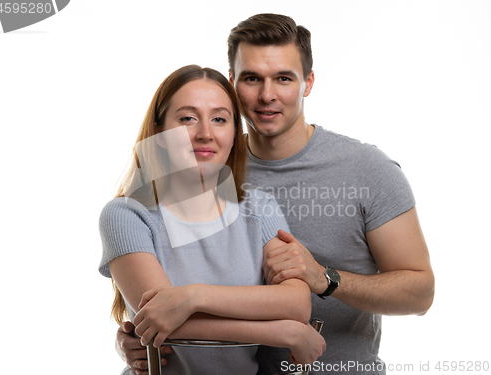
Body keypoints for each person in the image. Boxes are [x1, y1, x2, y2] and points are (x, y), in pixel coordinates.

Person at [116, 14, 435, 375]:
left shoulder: (365, 168)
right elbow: (164, 276)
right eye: (252, 79)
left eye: (284, 78)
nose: (267, 95)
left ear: (308, 82)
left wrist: (326, 279)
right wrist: (136, 334)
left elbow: (421, 293)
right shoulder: (208, 169)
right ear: (233, 84)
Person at [99, 65, 326, 375]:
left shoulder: (260, 209)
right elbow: (159, 320)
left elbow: (296, 304)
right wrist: (284, 332)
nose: (205, 133)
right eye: (187, 118)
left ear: (234, 134)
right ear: (160, 133)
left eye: (219, 119)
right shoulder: (127, 215)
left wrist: (193, 297)